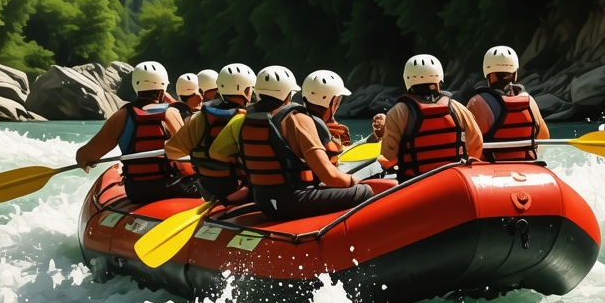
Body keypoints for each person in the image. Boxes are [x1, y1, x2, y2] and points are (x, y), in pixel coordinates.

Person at [209, 65, 380, 221]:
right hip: (292, 201)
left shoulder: (243, 119)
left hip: (263, 201)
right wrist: (355, 182)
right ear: (287, 94)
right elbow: (330, 177)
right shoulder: (297, 119)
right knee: (364, 192)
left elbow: (218, 154)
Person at [75, 60, 198, 203]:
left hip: (136, 191)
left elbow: (85, 155)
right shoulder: (171, 113)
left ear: (136, 86)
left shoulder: (121, 116)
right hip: (170, 187)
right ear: (163, 88)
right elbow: (187, 159)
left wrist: (86, 160)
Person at [377, 54, 483, 181]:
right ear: (439, 78)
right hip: (453, 182)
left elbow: (388, 159)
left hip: (415, 184)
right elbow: (476, 147)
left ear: (407, 79)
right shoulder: (458, 108)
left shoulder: (398, 112)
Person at [164, 62, 256, 203]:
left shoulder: (200, 117)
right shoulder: (246, 119)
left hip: (207, 189)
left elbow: (172, 151)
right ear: (246, 91)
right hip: (240, 190)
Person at [466, 45, 550, 161]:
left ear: (489, 74)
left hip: (490, 169)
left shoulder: (476, 102)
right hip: (526, 166)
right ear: (515, 73)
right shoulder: (529, 102)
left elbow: (469, 146)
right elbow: (544, 138)